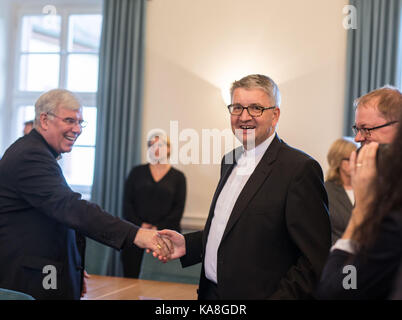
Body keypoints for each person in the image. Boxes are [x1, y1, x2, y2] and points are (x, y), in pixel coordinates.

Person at [160, 74, 331, 299]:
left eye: (256, 108)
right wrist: (189, 245)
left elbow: (313, 260)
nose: (244, 117)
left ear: (275, 115)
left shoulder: (299, 169)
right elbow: (233, 228)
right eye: (237, 107)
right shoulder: (229, 160)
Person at [0, 89, 172, 300]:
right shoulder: (30, 155)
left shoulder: (40, 153)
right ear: (44, 120)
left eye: (80, 122)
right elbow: (70, 208)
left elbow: (54, 220)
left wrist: (74, 269)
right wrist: (136, 235)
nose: (77, 129)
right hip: (30, 281)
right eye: (70, 120)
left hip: (47, 273)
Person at [316, 128, 402, 299]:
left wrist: (361, 210)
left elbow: (337, 291)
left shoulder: (392, 224)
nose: (359, 137)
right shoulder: (327, 190)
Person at [121, 133, 186, 278]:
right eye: (151, 146)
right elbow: (127, 204)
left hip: (165, 237)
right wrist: (141, 226)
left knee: (158, 281)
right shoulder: (136, 172)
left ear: (169, 149)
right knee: (130, 279)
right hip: (135, 235)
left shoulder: (178, 177)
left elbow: (178, 210)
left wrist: (157, 229)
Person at [325, 138, 357, 244]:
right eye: (350, 159)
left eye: (357, 157)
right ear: (338, 160)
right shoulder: (326, 191)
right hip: (339, 254)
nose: (355, 163)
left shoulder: (364, 188)